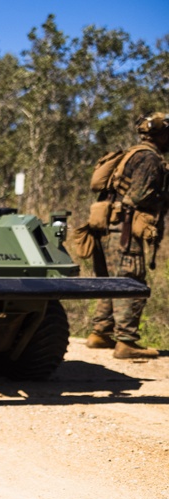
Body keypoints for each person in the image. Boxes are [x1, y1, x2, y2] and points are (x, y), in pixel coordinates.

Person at [86, 112, 168, 359]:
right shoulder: (150, 159)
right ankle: (126, 342)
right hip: (123, 228)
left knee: (109, 280)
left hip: (105, 226)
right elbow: (140, 196)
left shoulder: (131, 153)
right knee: (130, 281)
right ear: (161, 134)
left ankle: (101, 332)